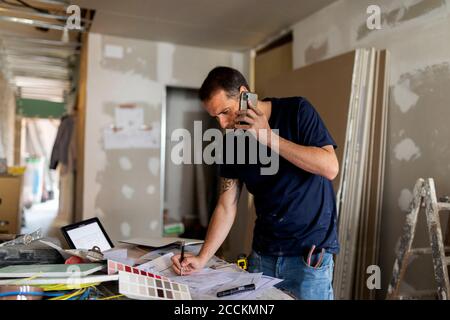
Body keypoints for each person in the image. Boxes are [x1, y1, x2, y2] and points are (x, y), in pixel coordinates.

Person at [171, 66, 340, 300]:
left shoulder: (297, 110)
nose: (222, 124)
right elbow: (226, 205)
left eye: (225, 112)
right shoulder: (233, 142)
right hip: (262, 256)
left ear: (244, 94)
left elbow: (330, 167)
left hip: (308, 259)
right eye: (216, 116)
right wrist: (202, 258)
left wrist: (268, 137)